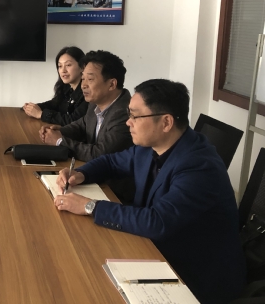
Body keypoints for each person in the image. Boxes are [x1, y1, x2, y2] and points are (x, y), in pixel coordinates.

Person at [54, 79, 245, 304]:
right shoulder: (150, 146)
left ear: (166, 122)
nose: (128, 122)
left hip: (194, 274)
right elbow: (111, 162)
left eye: (135, 116)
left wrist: (89, 206)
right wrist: (81, 173)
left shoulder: (199, 166)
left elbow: (158, 221)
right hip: (154, 248)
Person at [39, 50, 134, 202]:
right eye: (83, 78)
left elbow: (100, 153)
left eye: (90, 79)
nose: (83, 85)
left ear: (111, 84)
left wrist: (59, 141)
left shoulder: (126, 113)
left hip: (114, 192)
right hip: (93, 178)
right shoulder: (95, 103)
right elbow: (82, 125)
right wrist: (59, 131)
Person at [23, 46, 88, 125]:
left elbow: (73, 120)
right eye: (60, 66)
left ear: (82, 67)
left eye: (68, 65)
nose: (63, 70)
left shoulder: (88, 92)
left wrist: (41, 114)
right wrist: (32, 108)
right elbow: (54, 104)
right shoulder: (67, 88)